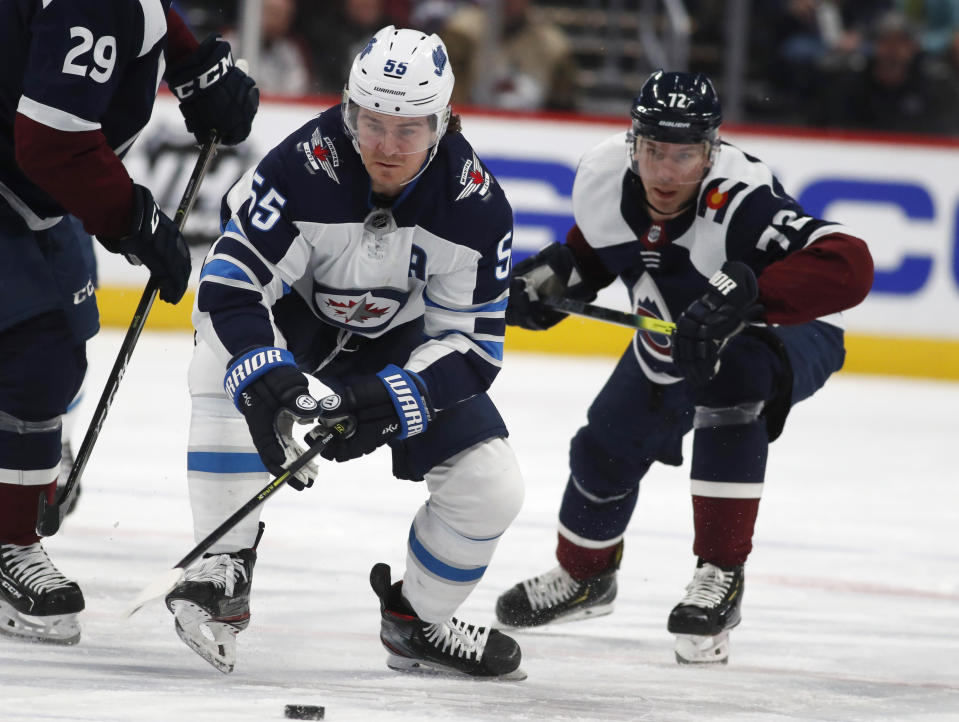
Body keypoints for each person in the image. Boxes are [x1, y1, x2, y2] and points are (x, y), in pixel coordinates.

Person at [164, 25, 526, 680]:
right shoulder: (300, 164)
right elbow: (230, 283)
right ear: (348, 109)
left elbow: (471, 347)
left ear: (442, 124)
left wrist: (398, 399)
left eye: (409, 129)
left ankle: (417, 622)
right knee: (220, 357)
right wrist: (260, 373)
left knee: (491, 486)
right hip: (294, 323)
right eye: (371, 122)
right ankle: (222, 565)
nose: (386, 146)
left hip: (399, 347)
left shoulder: (475, 205)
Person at [495, 70, 874, 664]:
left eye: (685, 153)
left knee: (734, 381)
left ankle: (721, 574)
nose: (667, 172)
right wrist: (550, 278)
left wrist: (743, 290)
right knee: (604, 446)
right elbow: (599, 248)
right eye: (654, 151)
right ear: (633, 143)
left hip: (783, 331)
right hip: (673, 336)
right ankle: (586, 576)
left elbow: (849, 264)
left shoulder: (740, 200)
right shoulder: (602, 179)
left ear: (712, 149)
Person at [0, 0, 259, 646]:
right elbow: (52, 143)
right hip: (19, 187)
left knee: (49, 356)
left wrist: (190, 59)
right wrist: (133, 221)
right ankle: (8, 541)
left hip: (27, 200)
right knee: (37, 358)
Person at [439, 0, 579, 111]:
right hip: (474, 123)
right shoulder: (463, 32)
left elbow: (563, 106)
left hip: (532, 130)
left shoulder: (552, 44)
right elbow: (447, 94)